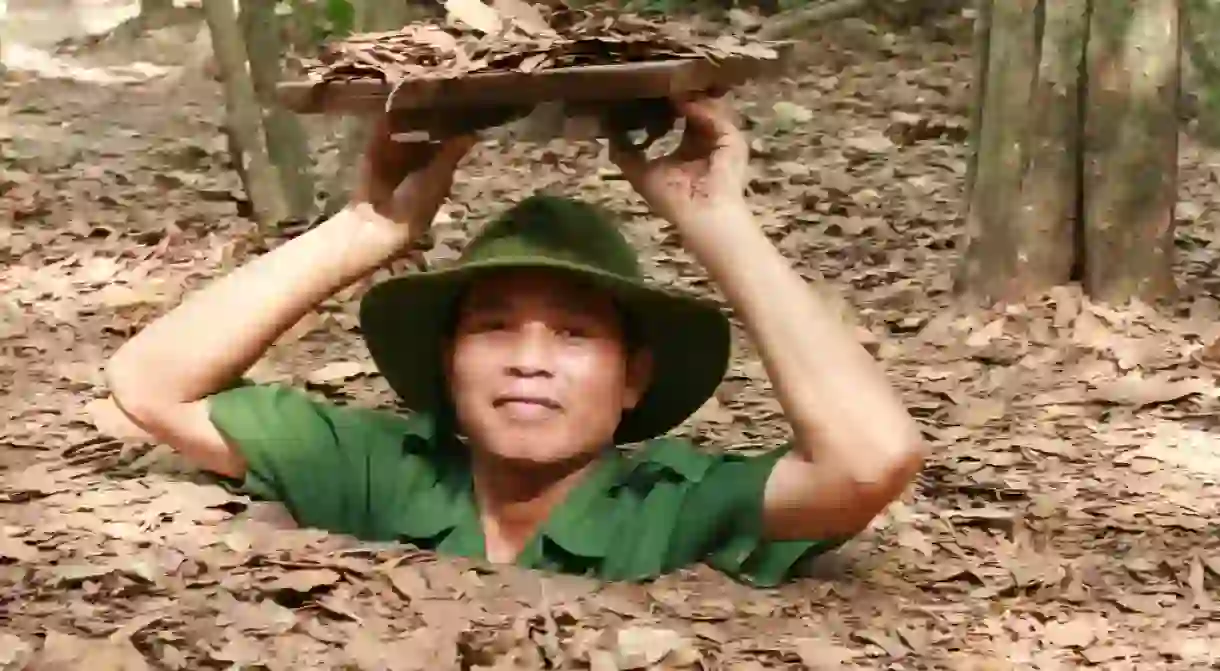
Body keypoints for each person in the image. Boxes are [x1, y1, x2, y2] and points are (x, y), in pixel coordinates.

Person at [105, 93, 926, 587]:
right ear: (447, 360)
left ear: (633, 376)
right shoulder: (377, 472)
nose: (530, 358)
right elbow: (151, 384)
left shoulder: (674, 507)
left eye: (574, 333)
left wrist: (719, 223)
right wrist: (365, 229)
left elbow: (872, 457)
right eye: (493, 325)